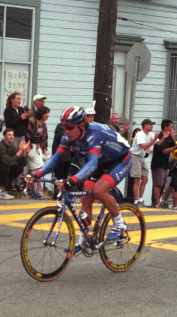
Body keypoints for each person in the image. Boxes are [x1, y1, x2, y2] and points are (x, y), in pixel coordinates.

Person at [29, 106, 132, 247]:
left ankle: (119, 223)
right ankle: (83, 239)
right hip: (102, 161)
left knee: (99, 190)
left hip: (120, 159)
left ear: (82, 125)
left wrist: (72, 181)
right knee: (86, 197)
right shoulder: (68, 137)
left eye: (70, 127)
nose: (67, 131)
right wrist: (37, 174)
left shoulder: (94, 133)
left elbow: (91, 164)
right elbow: (56, 158)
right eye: (65, 127)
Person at [0, 128, 29, 199]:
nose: (11, 136)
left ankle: (6, 186)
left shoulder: (12, 147)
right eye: (9, 135)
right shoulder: (0, 146)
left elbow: (23, 163)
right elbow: (8, 161)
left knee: (19, 167)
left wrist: (24, 151)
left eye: (12, 135)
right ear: (4, 136)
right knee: (6, 166)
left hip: (1, 170)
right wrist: (20, 151)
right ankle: (1, 191)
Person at [130, 119, 159, 206]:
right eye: (150, 125)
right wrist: (154, 139)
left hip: (142, 157)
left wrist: (165, 137)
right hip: (135, 156)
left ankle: (140, 198)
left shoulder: (150, 134)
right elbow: (144, 146)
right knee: (137, 180)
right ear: (145, 125)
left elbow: (159, 143)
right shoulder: (140, 134)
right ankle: (136, 200)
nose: (152, 126)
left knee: (145, 179)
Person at [25, 106, 50, 199]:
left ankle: (39, 192)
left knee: (39, 172)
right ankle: (30, 190)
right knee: (30, 169)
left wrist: (45, 149)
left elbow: (45, 137)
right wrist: (29, 146)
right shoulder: (32, 121)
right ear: (41, 113)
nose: (48, 115)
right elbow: (27, 134)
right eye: (46, 113)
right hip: (30, 146)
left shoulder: (44, 125)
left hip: (39, 147)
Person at [151, 119, 175, 207]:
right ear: (166, 127)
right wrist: (175, 147)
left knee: (162, 184)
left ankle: (157, 201)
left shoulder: (169, 137)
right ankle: (156, 203)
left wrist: (172, 138)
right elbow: (164, 150)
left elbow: (173, 146)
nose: (172, 129)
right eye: (171, 127)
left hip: (165, 164)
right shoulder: (159, 136)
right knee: (157, 184)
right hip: (158, 164)